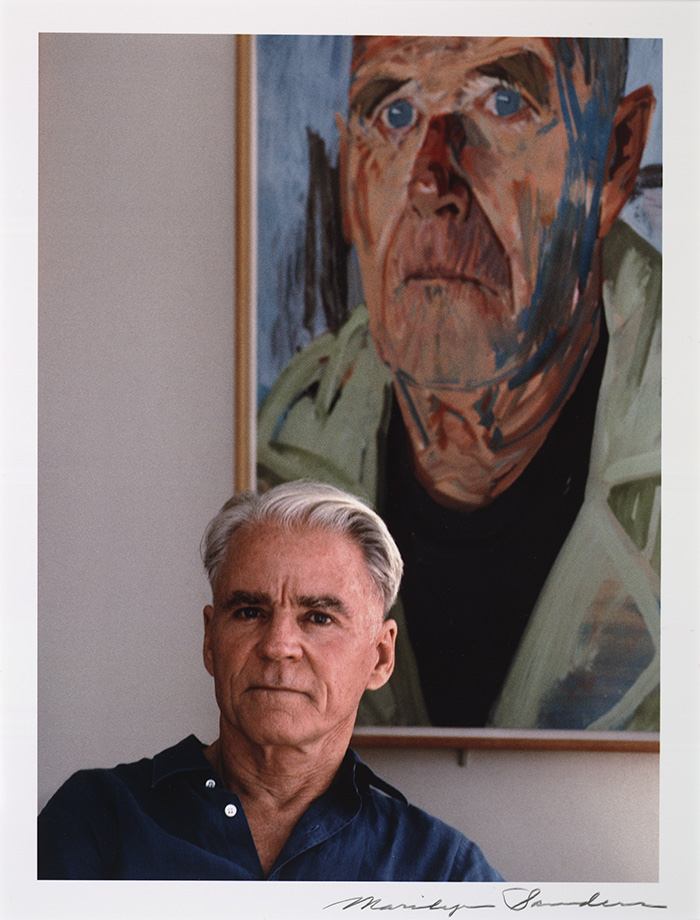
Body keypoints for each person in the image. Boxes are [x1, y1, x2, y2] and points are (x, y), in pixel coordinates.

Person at [258, 37, 661, 731]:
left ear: (614, 159)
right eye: (393, 114)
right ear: (354, 176)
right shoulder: (277, 461)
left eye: (504, 104)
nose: (430, 180)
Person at [38, 481, 503, 881]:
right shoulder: (98, 822)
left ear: (380, 657)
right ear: (209, 641)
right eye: (249, 612)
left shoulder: (441, 870)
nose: (278, 644)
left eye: (318, 617)